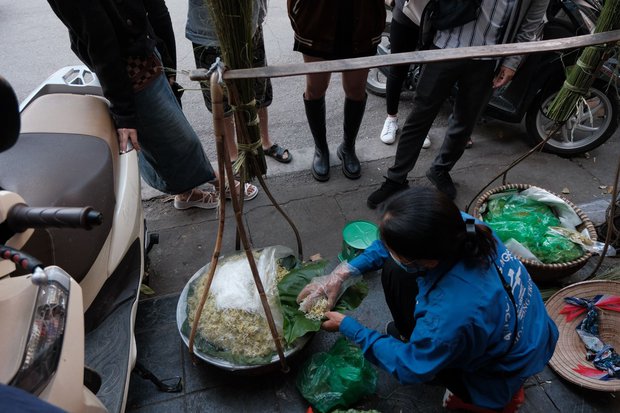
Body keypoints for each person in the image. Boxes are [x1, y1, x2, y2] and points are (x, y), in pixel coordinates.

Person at [298, 187, 559, 412]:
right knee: (394, 269)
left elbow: (412, 367)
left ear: (430, 260)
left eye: (397, 250)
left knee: (424, 353)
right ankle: (414, 337)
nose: (388, 249)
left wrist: (349, 327)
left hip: (503, 365)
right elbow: (390, 245)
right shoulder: (461, 227)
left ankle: (475, 394)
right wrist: (342, 273)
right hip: (527, 326)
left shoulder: (449, 314)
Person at [46, 0, 258, 211]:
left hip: (147, 53)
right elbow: (99, 40)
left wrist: (167, 62)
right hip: (128, 72)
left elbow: (155, 9)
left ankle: (186, 193)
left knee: (167, 134)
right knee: (178, 139)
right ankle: (219, 181)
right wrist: (124, 112)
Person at [367, 0, 549, 208]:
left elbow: (530, 25)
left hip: (489, 58)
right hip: (445, 47)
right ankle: (396, 178)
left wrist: (511, 62)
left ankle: (441, 169)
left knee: (466, 120)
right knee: (420, 115)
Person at [287, 0, 386, 181]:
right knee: (315, 88)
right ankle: (321, 148)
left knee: (356, 89)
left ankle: (348, 147)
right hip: (317, 19)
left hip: (363, 20)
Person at [186, 0, 293, 165]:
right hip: (208, 33)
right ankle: (234, 154)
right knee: (220, 95)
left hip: (249, 23)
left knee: (258, 85)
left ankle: (264, 143)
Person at [379, 0, 431, 150]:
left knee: (426, 73)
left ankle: (418, 126)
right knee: (397, 69)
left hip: (434, 19)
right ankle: (391, 118)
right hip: (405, 15)